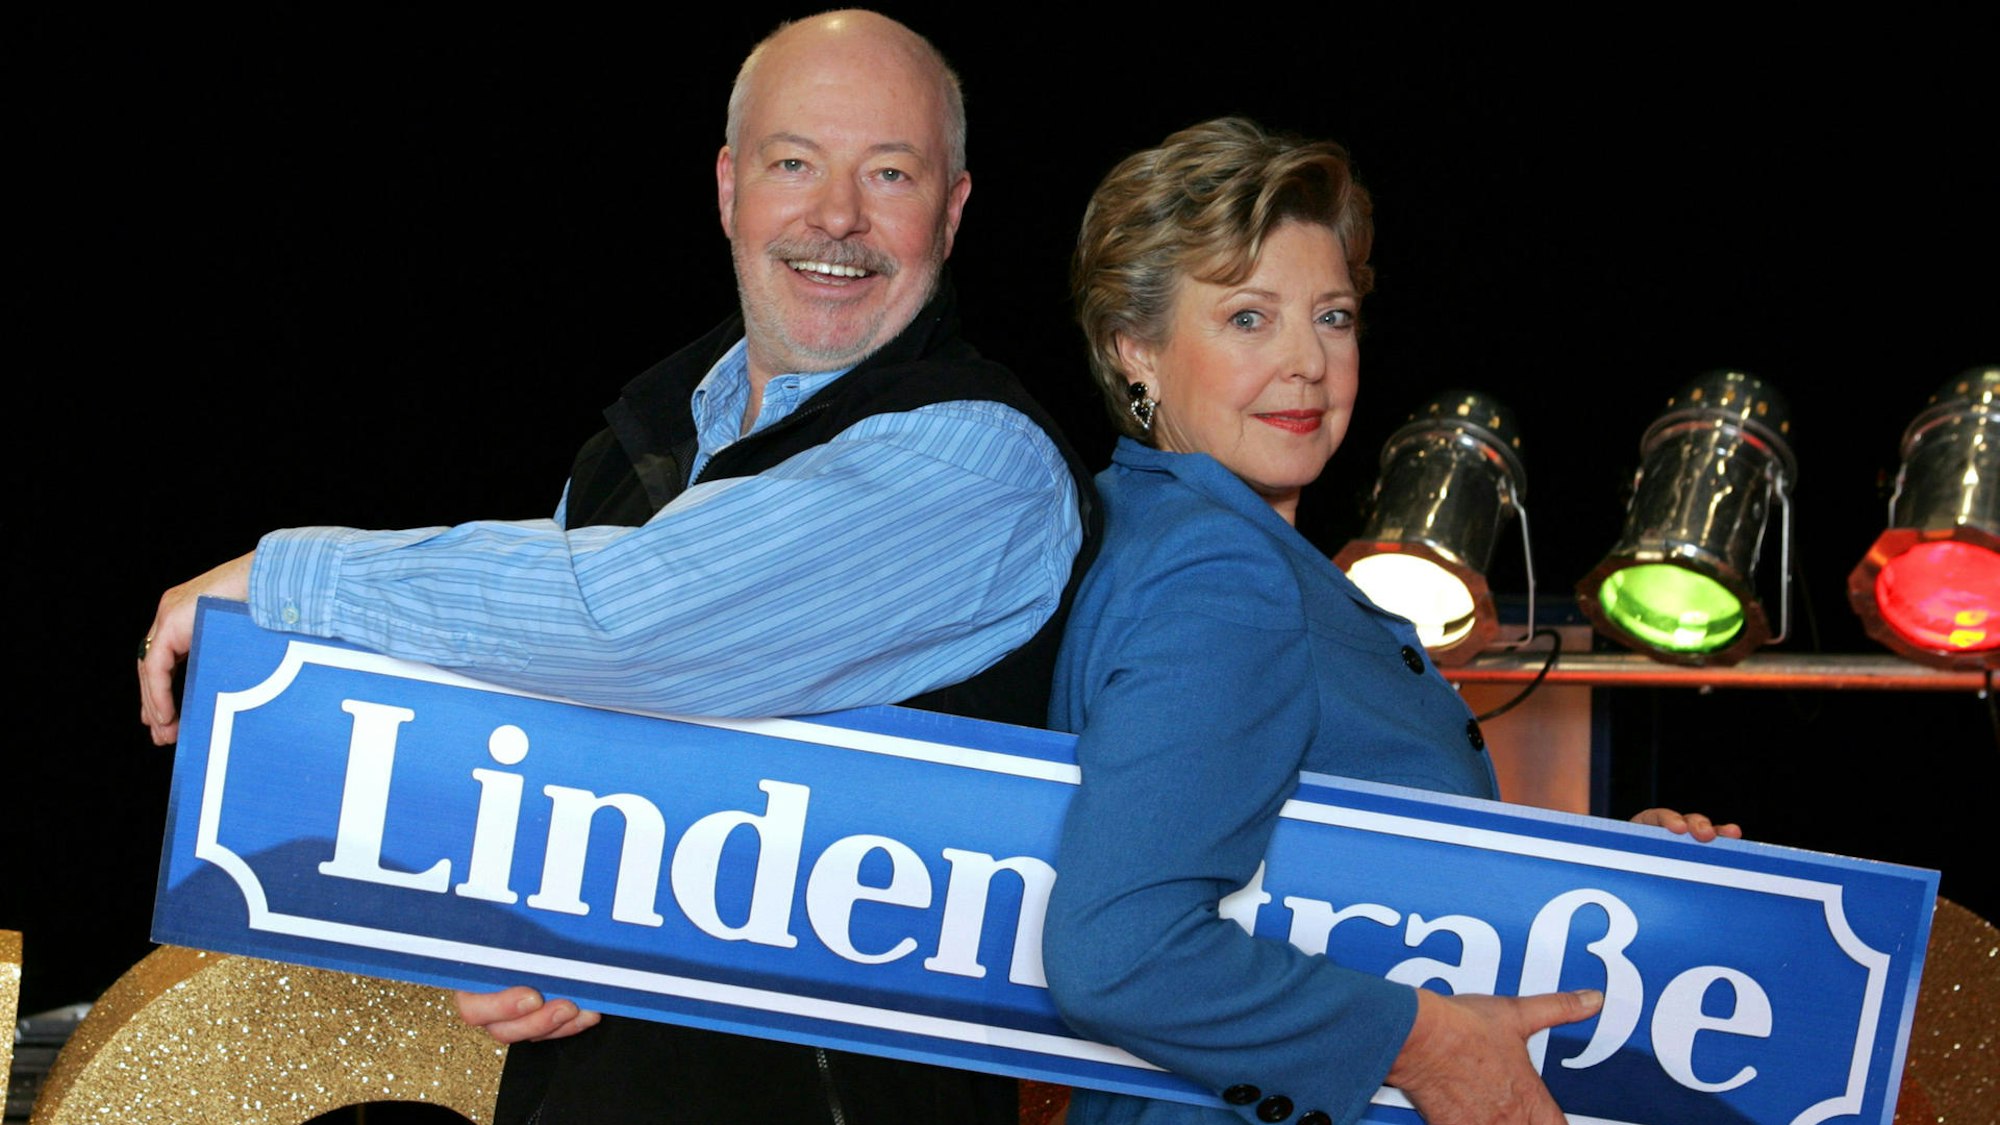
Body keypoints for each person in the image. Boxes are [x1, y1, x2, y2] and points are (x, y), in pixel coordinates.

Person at [138, 11, 1095, 1124]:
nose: (836, 215)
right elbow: (525, 739)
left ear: (953, 209)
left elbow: (632, 629)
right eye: (795, 164)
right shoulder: (629, 449)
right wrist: (495, 924)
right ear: (730, 187)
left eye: (889, 171)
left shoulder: (980, 458)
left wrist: (284, 577)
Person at [1041, 117, 1739, 1125]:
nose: (1306, 364)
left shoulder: (1156, 528)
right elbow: (1120, 950)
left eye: (1330, 317)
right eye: (1247, 318)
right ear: (1133, 350)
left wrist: (1601, 895)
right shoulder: (1220, 573)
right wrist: (1424, 1047)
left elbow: (1352, 905)